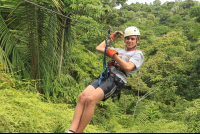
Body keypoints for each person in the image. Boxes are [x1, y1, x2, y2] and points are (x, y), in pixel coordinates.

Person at [65, 26, 144, 133]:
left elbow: (128, 67)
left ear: (137, 40)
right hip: (106, 76)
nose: (129, 41)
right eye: (127, 38)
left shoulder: (137, 54)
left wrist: (114, 56)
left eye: (132, 39)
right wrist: (112, 38)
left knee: (90, 99)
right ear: (124, 39)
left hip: (116, 80)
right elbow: (99, 48)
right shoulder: (118, 50)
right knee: (82, 96)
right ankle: (72, 130)